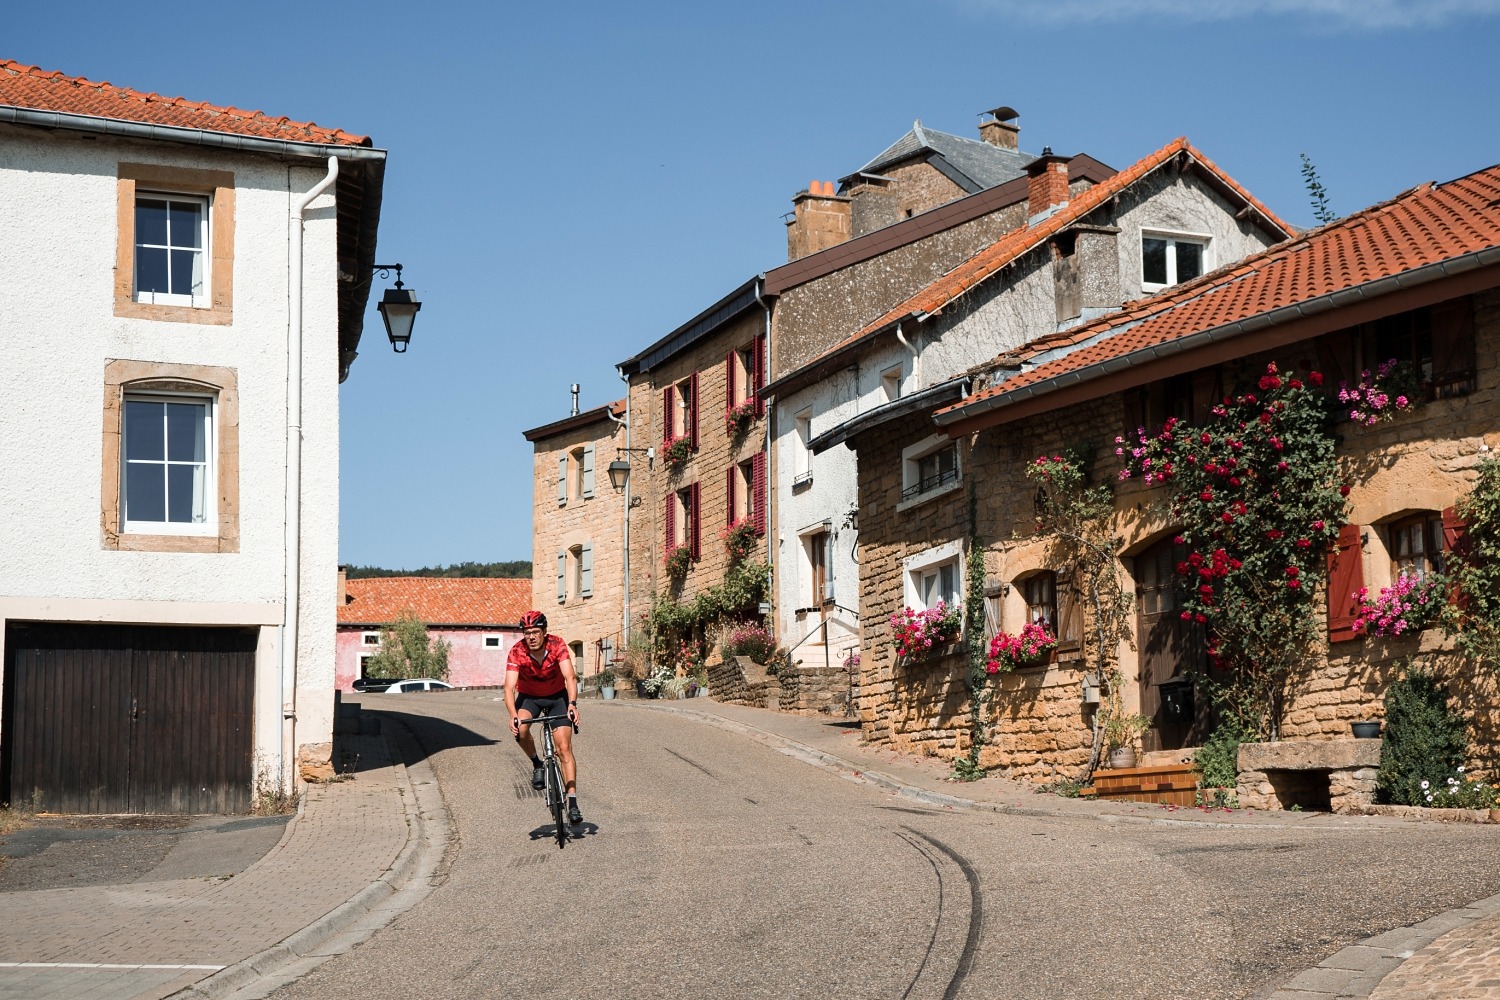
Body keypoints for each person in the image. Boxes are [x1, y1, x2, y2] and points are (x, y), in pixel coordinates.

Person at [506, 610, 582, 825]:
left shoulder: (557, 644)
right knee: (520, 729)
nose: (531, 637)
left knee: (564, 748)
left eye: (536, 632)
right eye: (527, 632)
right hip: (530, 698)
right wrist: (513, 715)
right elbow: (509, 687)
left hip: (557, 697)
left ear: (544, 632)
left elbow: (569, 676)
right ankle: (537, 764)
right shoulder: (517, 651)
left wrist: (573, 705)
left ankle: (573, 801)